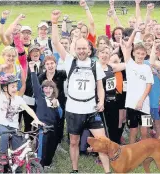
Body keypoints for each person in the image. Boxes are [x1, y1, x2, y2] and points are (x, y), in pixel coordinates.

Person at [51, 9, 111, 173]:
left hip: (91, 108)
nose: (82, 51)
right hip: (74, 109)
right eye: (79, 48)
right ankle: (75, 170)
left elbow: (100, 86)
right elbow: (56, 43)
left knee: (102, 142)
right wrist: (55, 23)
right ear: (75, 49)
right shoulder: (70, 61)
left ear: (89, 50)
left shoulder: (95, 64)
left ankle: (108, 171)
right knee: (73, 141)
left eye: (85, 48)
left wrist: (101, 101)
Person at [0, 74, 44, 166]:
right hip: (1, 126)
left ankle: (17, 169)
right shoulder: (0, 96)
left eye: (16, 86)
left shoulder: (18, 99)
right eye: (12, 86)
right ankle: (2, 155)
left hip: (14, 128)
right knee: (5, 134)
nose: (15, 89)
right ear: (5, 88)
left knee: (19, 151)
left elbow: (29, 109)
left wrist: (36, 119)